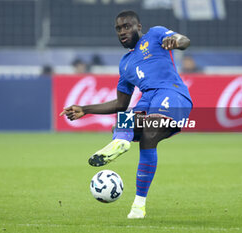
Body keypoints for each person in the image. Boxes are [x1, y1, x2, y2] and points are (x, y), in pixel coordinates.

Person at [60, 10, 192, 219]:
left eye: (127, 26)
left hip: (171, 93)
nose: (122, 31)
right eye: (118, 28)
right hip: (148, 100)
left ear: (139, 27)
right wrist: (85, 109)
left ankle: (138, 203)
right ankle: (121, 144)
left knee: (149, 131)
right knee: (123, 121)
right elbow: (121, 104)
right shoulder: (125, 64)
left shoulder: (156, 34)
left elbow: (184, 41)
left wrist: (174, 40)